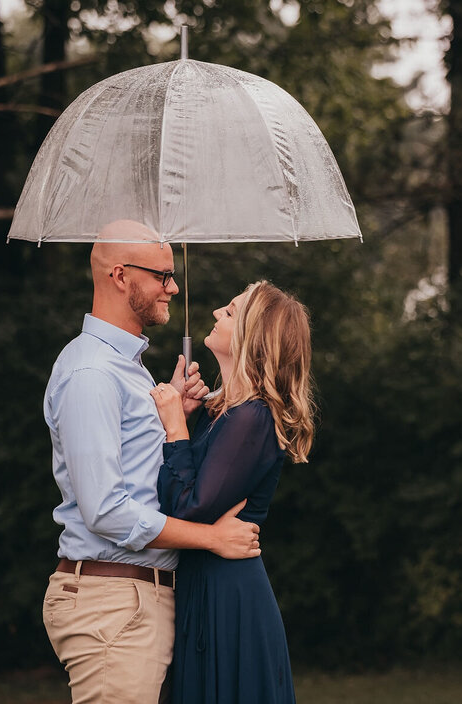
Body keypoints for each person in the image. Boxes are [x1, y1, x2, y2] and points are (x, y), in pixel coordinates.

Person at [41, 220, 261, 704]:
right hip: (112, 605)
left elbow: (138, 474)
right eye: (163, 275)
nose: (174, 287)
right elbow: (105, 509)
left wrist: (175, 419)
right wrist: (211, 538)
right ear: (120, 276)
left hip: (136, 600)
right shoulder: (91, 373)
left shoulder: (128, 368)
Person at [149, 280, 314, 704]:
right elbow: (174, 489)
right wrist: (185, 418)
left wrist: (174, 428)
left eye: (232, 310)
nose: (217, 312)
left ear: (253, 337)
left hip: (228, 600)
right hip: (203, 588)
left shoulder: (252, 418)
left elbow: (187, 507)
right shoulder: (222, 413)